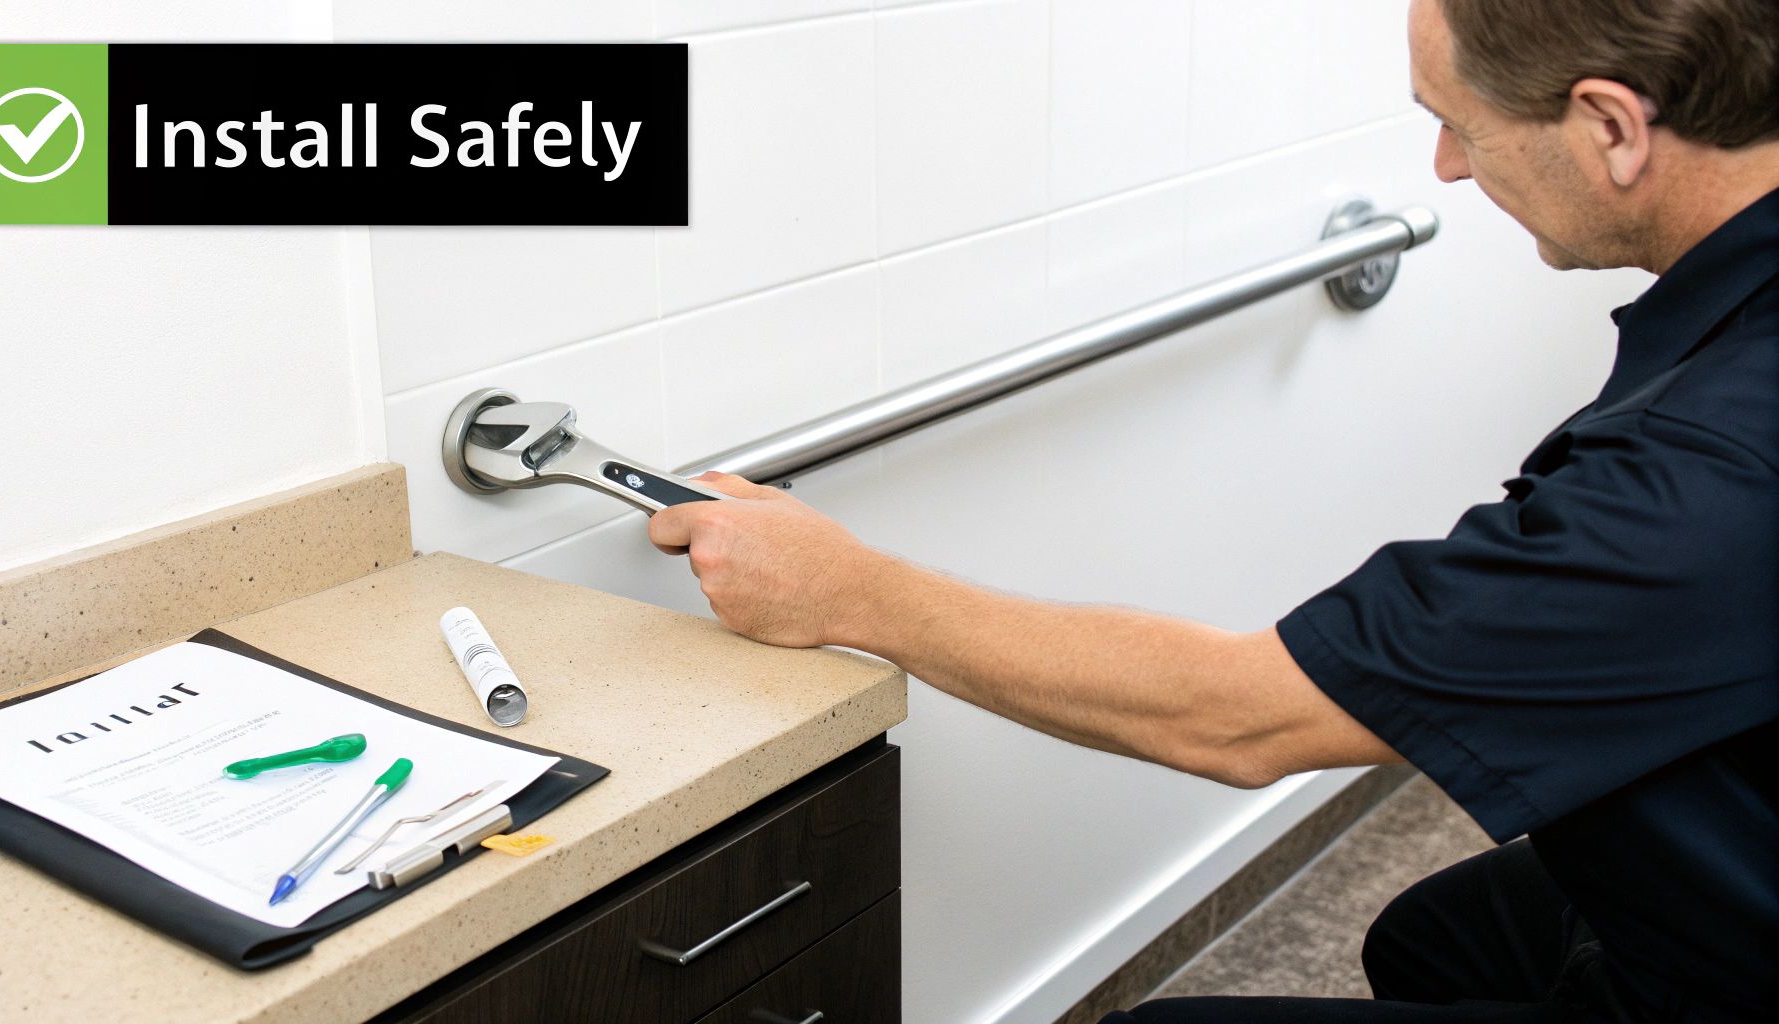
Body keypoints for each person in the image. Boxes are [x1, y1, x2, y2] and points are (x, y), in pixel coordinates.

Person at [648, 0, 1779, 1019]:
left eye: (1460, 125)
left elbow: (1238, 717)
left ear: (1612, 127)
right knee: (1436, 939)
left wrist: (850, 589)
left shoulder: (1707, 475)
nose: (1440, 165)